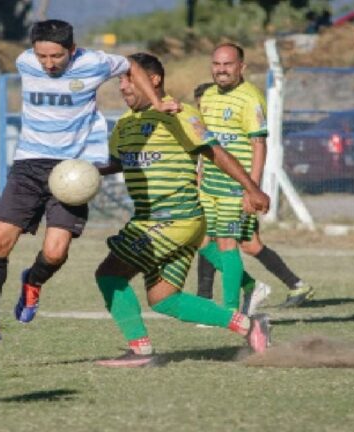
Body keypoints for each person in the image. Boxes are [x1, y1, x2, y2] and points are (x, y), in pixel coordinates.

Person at [0, 19, 181, 355]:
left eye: (56, 57)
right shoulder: (24, 61)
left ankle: (34, 280)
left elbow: (130, 64)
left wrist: (158, 103)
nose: (47, 63)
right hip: (29, 165)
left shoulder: (95, 63)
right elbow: (33, 58)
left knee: (56, 252)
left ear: (71, 50)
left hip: (72, 171)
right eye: (42, 56)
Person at [94, 52, 272, 367]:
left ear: (154, 80)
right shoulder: (124, 124)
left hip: (174, 218)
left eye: (128, 79)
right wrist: (80, 173)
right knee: (163, 299)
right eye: (120, 80)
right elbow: (116, 164)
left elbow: (215, 152)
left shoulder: (179, 114)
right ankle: (248, 325)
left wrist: (252, 187)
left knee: (110, 274)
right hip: (154, 221)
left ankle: (139, 351)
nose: (122, 87)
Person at [196, 44, 315, 310]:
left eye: (228, 64)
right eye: (217, 64)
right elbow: (207, 142)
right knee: (205, 240)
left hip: (234, 187)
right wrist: (200, 173)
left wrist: (252, 189)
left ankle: (224, 307)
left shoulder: (250, 98)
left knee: (230, 244)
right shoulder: (208, 96)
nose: (221, 70)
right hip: (210, 185)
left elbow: (258, 146)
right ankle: (257, 287)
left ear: (242, 67)